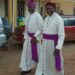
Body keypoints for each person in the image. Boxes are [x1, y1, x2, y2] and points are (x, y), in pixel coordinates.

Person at [35, 2, 65, 75]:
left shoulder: (59, 19)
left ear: (54, 8)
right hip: (45, 43)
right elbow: (43, 31)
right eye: (47, 8)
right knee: (44, 59)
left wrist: (58, 47)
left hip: (53, 44)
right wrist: (36, 37)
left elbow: (61, 35)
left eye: (50, 8)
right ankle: (44, 72)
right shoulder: (46, 18)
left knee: (53, 61)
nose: (48, 10)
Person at [19, 0, 43, 75]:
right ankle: (26, 68)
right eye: (29, 7)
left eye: (32, 7)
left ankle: (41, 70)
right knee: (26, 54)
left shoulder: (38, 16)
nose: (30, 9)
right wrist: (24, 36)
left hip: (35, 40)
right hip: (28, 39)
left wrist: (35, 37)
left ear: (34, 7)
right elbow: (26, 29)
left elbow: (41, 29)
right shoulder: (27, 16)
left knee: (39, 54)